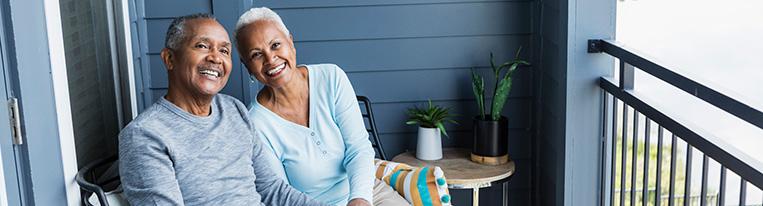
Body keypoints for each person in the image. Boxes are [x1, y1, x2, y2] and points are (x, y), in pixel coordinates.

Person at [118, 13, 325, 206]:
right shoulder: (145, 135)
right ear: (169, 59)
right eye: (202, 46)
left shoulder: (234, 110)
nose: (216, 58)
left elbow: (271, 189)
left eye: (224, 50)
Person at [234, 7, 409, 206]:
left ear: (290, 41)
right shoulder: (256, 124)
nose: (270, 59)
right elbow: (280, 193)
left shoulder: (331, 78)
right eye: (256, 54)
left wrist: (360, 199)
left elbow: (358, 148)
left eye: (275, 45)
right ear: (246, 65)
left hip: (366, 192)